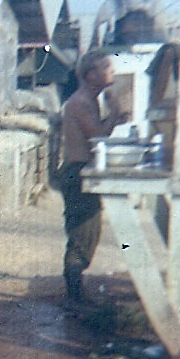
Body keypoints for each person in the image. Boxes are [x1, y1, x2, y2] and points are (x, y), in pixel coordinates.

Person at [59, 49, 130, 303]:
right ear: (91, 75)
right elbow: (98, 137)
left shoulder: (89, 100)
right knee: (83, 235)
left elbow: (97, 132)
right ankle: (74, 299)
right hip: (77, 173)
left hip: (81, 171)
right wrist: (115, 112)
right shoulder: (80, 102)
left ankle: (75, 294)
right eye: (106, 67)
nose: (112, 70)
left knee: (89, 233)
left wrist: (114, 117)